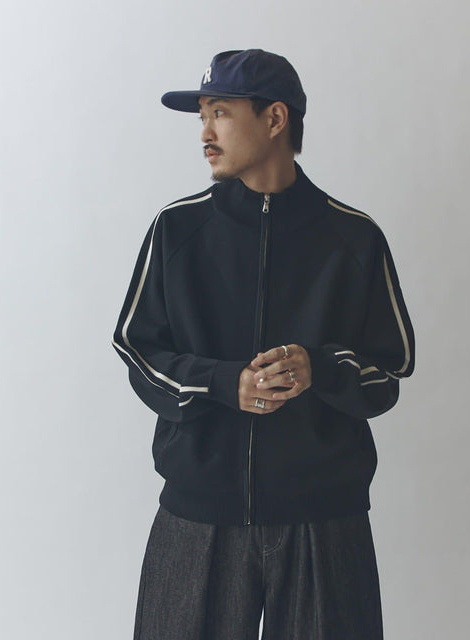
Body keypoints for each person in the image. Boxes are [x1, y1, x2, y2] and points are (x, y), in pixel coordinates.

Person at [111, 48, 415, 640]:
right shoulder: (177, 229)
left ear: (275, 119)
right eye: (202, 115)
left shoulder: (354, 238)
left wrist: (319, 367)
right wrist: (224, 383)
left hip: (324, 520)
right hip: (199, 514)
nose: (205, 133)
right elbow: (137, 350)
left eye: (220, 113)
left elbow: (390, 371)